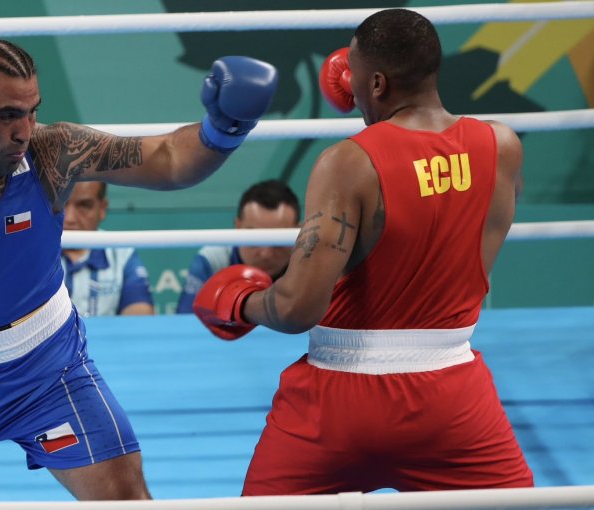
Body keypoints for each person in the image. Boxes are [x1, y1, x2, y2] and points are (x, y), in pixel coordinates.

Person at [0, 39, 277, 505]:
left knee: (127, 497)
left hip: (45, 370)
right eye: (6, 115)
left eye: (31, 111)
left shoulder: (51, 153)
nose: (24, 130)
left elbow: (167, 159)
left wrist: (223, 128)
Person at [192, 8, 533, 495]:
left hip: (339, 404)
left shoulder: (348, 162)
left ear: (375, 84)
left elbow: (295, 310)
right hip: (454, 402)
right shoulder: (501, 146)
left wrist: (239, 301)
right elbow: (466, 242)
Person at [176, 179, 299, 313]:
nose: (265, 253)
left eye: (278, 240)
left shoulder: (312, 264)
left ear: (300, 230)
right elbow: (186, 323)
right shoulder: (213, 260)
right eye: (254, 239)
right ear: (237, 227)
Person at [61, 182, 155, 317]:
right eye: (61, 203)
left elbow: (140, 321)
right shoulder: (32, 253)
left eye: (84, 205)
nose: (69, 218)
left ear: (102, 208)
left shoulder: (121, 254)